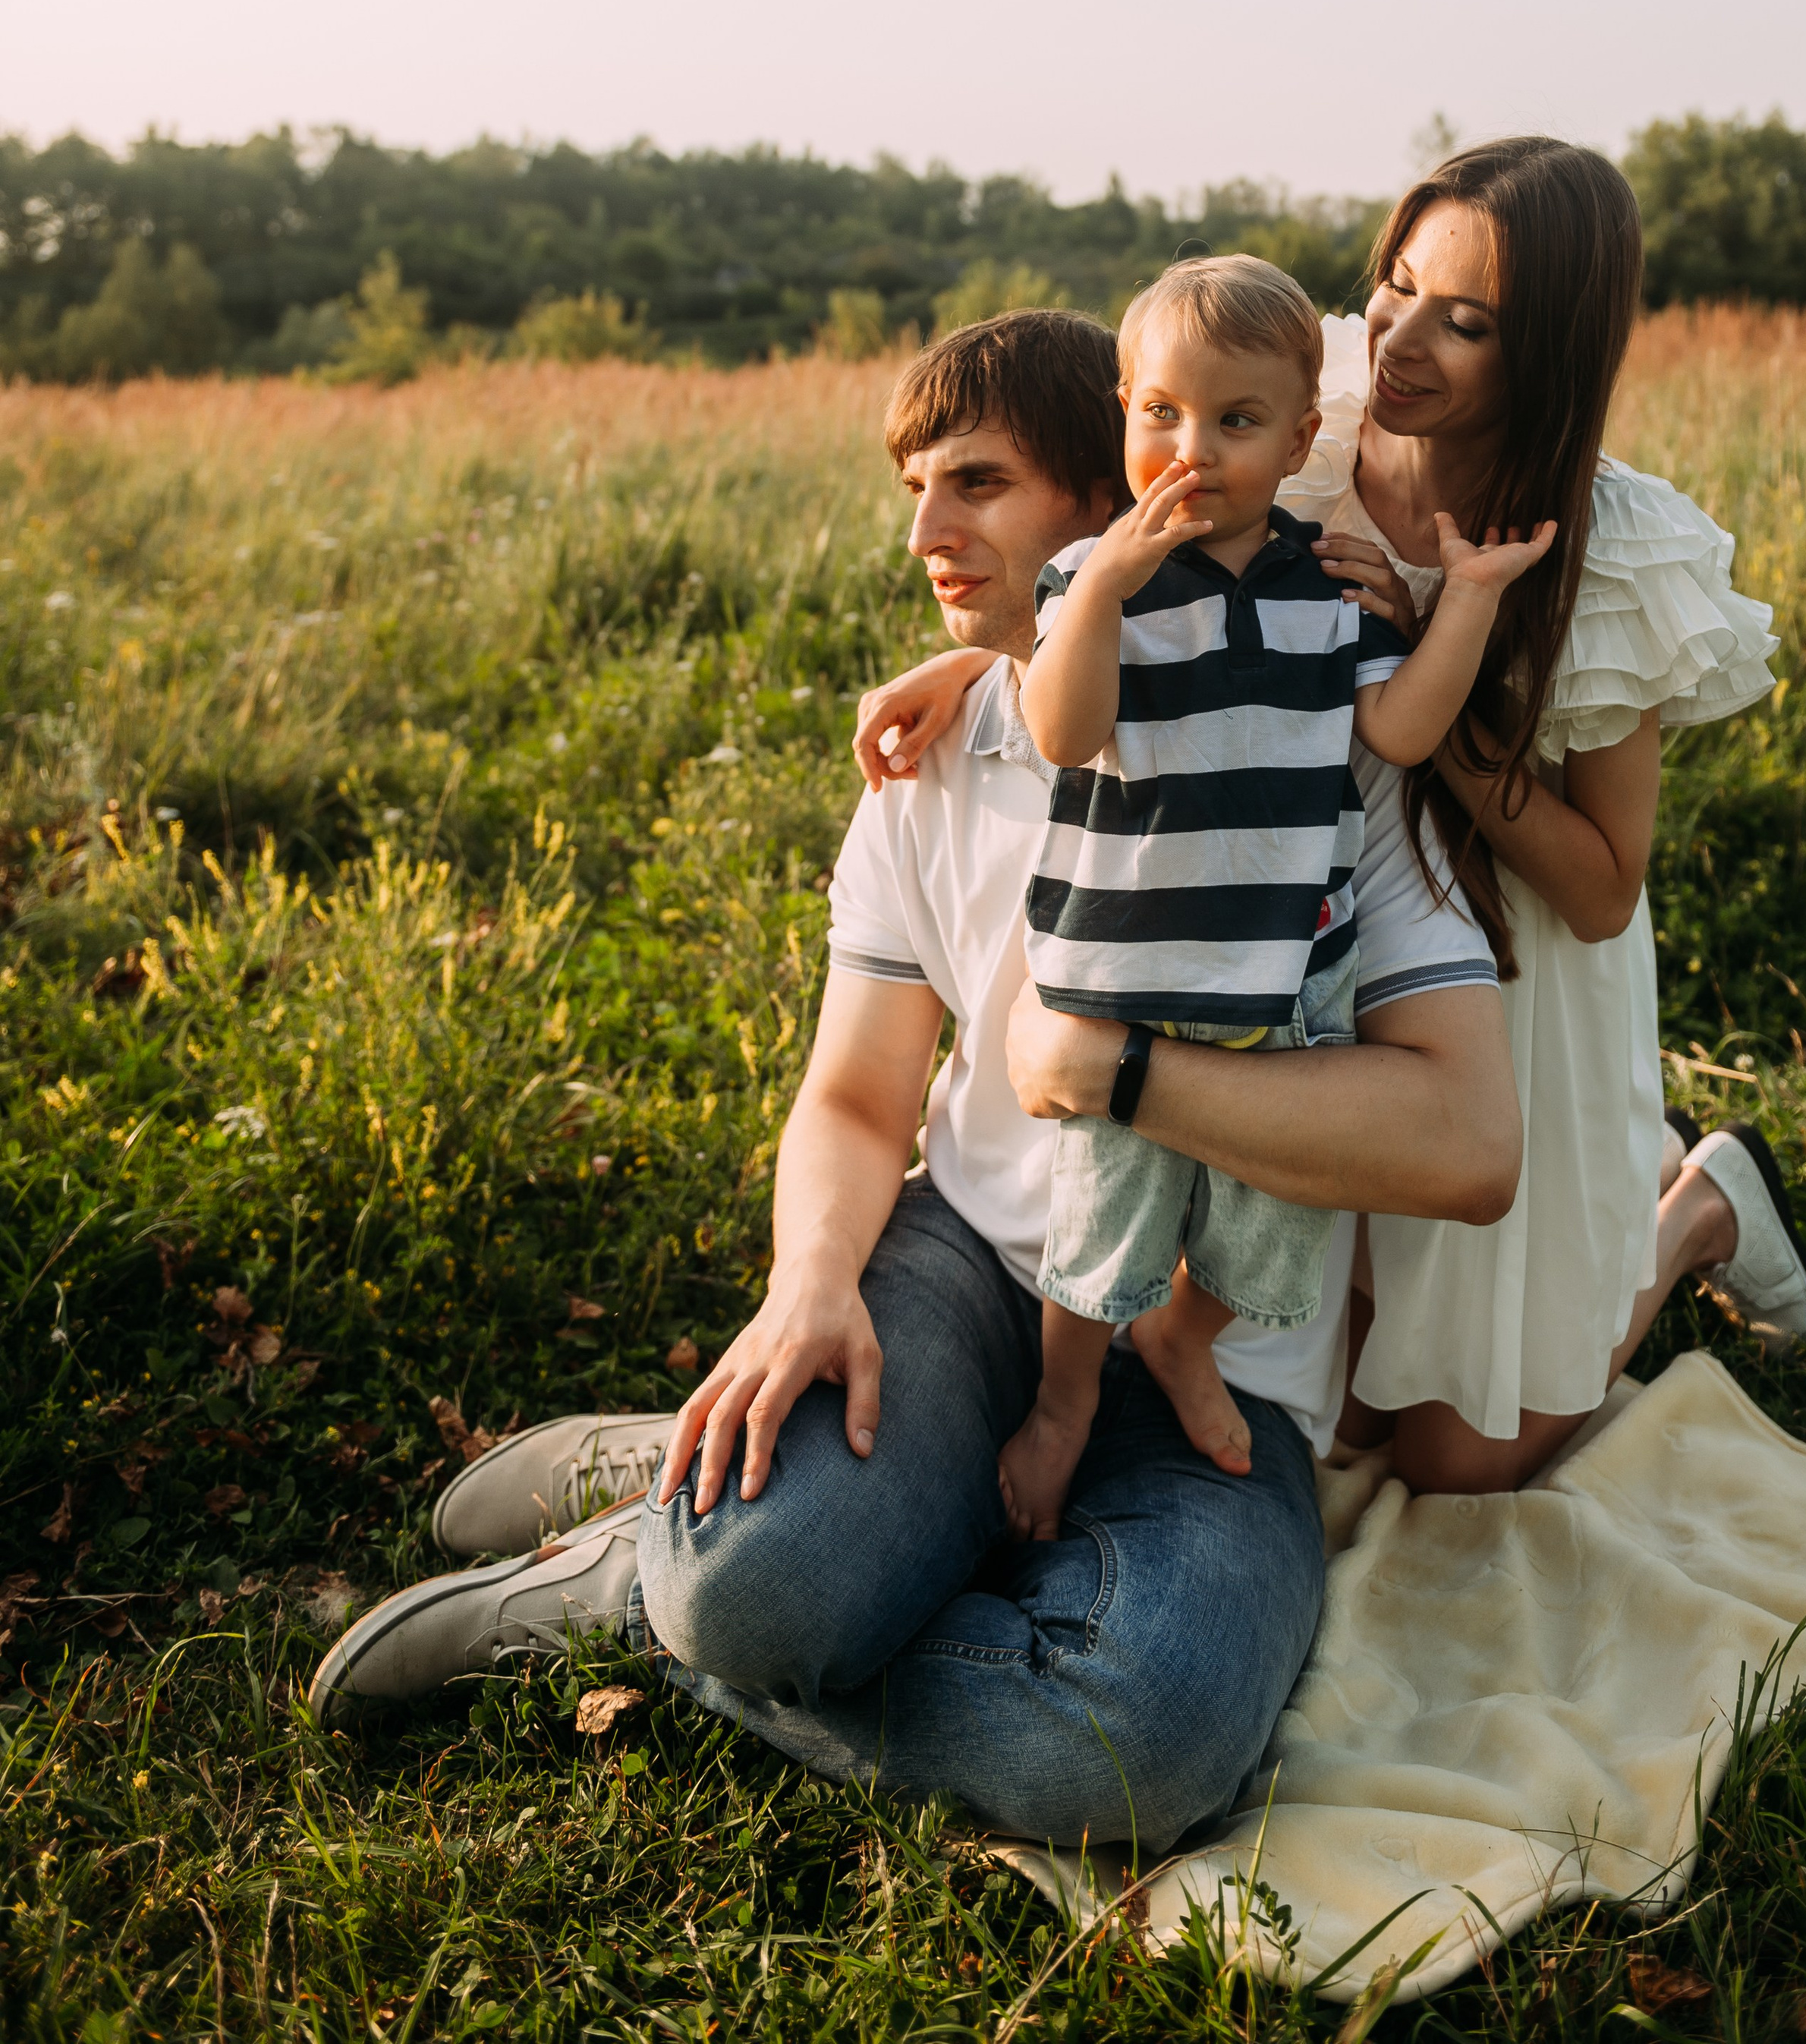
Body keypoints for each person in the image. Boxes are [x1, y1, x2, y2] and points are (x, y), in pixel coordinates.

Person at [311, 307, 1522, 1853]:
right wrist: (809, 1282)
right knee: (753, 1587)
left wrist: (1129, 1077)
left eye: (977, 486)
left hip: (1215, 1364)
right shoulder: (931, 758)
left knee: (1138, 1743)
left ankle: (663, 1579)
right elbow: (855, 1098)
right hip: (965, 1270)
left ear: (1119, 500)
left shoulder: (1327, 751)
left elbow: (1464, 1143)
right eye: (914, 491)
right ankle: (677, 1562)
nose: (926, 536)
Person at [866, 143, 1806, 1501]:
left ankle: (1702, 1208)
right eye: (1396, 285)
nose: (1401, 340)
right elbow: (1149, 569)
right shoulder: (1307, 397)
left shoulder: (1608, 549)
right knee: (1337, 1379)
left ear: (1545, 352)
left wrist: (1436, 652)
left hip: (1514, 965)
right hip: (1300, 911)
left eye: (1466, 323)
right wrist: (979, 661)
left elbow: (1604, 890)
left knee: (1456, 1455)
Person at [1003, 254, 1552, 1537]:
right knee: (1098, 1235)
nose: (1190, 449)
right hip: (1126, 969)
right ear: (1126, 412)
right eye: (1160, 415)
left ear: (1302, 434)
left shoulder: (1324, 584)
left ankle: (1188, 1340)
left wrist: (1461, 602)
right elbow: (1064, 729)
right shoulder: (1091, 581)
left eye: (1236, 422)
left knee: (1270, 1233)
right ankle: (1064, 1406)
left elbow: (1405, 733)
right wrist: (1099, 593)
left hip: (1285, 978)